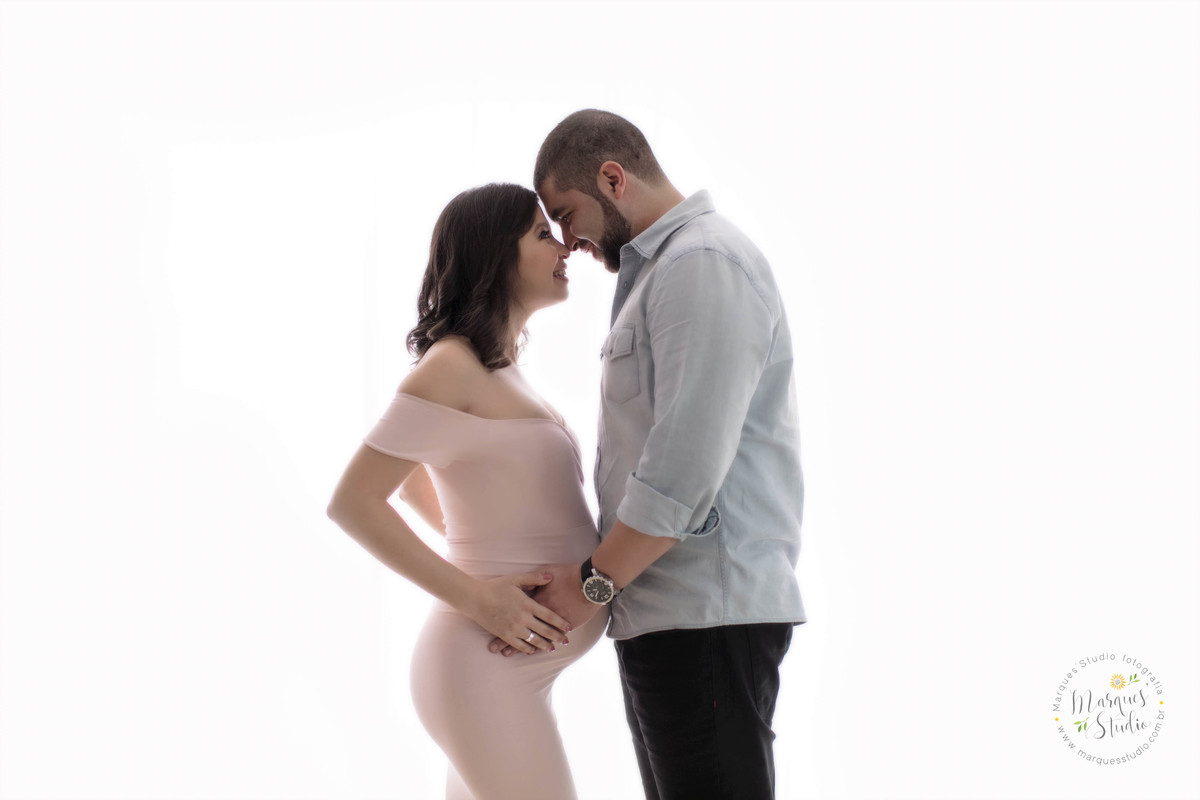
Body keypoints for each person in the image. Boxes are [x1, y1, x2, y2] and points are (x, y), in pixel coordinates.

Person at [487, 110, 807, 800]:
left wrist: (590, 585)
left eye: (569, 216)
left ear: (613, 178)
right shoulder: (664, 272)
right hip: (669, 616)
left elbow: (682, 473)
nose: (569, 242)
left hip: (704, 618)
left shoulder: (702, 263)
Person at [326, 182, 608, 800]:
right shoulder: (450, 365)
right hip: (484, 668)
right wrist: (481, 596)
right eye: (541, 232)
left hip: (508, 667)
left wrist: (480, 543)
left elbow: (418, 486)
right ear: (495, 256)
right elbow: (355, 501)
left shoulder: (499, 368)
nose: (564, 245)